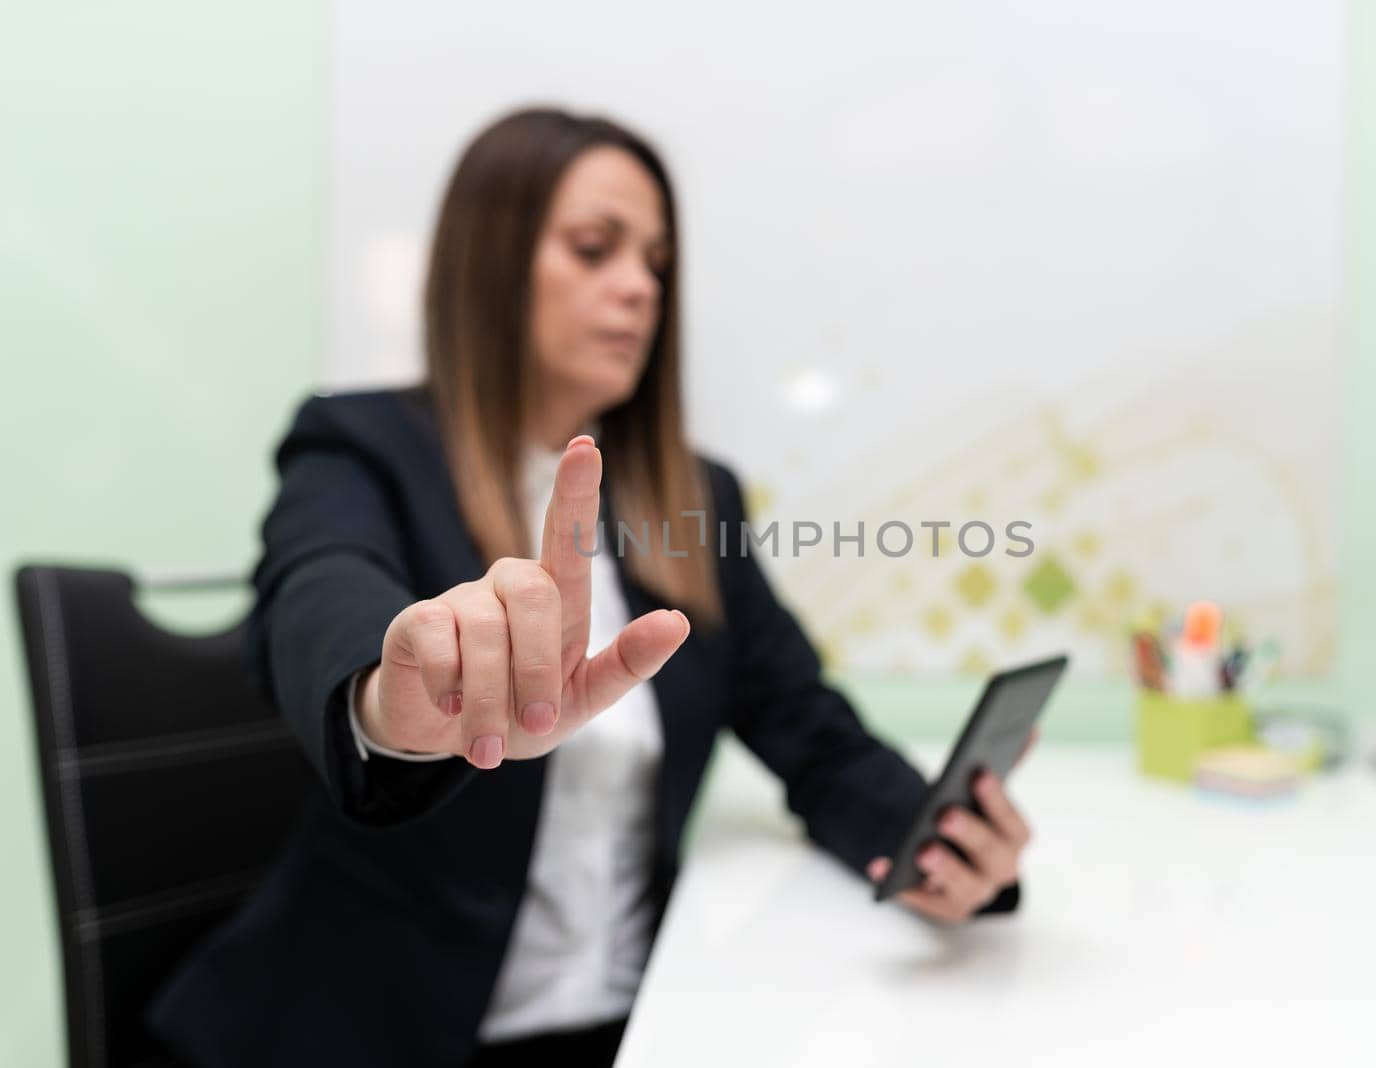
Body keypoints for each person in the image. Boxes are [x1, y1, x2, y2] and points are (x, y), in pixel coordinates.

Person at [149, 107, 1033, 1068]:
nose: (638, 290)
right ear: (490, 264)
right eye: (594, 249)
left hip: (632, 1027)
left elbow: (808, 730)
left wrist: (939, 843)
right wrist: (384, 696)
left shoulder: (693, 496)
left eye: (655, 262)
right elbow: (318, 589)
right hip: (373, 1030)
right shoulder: (362, 446)